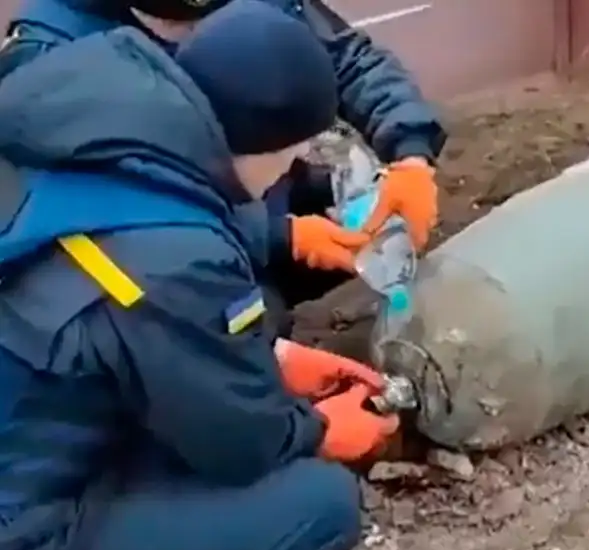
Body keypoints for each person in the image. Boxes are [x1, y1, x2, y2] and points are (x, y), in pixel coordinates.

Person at [0, 1, 400, 550]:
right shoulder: (179, 255)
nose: (290, 172)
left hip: (29, 411)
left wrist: (277, 358)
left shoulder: (94, 126)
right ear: (271, 143)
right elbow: (238, 443)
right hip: (20, 536)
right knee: (320, 503)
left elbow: (130, 313)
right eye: (294, 157)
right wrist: (320, 430)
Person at [0, 0, 445, 337]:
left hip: (241, 194)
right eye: (179, 29)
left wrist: (410, 153)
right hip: (152, 243)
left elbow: (345, 57)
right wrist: (276, 235)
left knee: (363, 210)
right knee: (240, 321)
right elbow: (110, 223)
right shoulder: (52, 52)